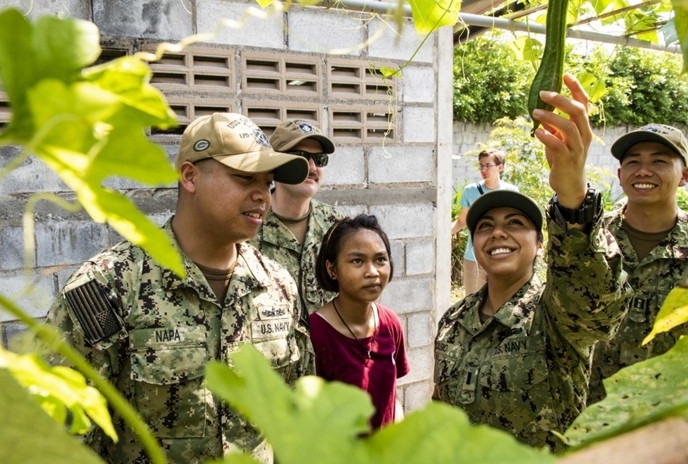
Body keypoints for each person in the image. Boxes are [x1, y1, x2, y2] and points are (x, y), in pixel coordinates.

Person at [42, 113, 314, 464]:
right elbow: (56, 439)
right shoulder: (109, 287)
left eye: (268, 183)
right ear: (190, 175)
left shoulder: (277, 286)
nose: (261, 195)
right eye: (245, 178)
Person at [433, 74, 632, 452]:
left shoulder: (556, 316)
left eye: (516, 224)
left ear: (540, 245)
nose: (498, 233)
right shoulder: (454, 321)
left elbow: (597, 302)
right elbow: (441, 408)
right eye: (486, 226)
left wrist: (572, 195)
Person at [588, 124, 688, 404]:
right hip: (591, 410)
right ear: (620, 175)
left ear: (684, 175)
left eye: (659, 161)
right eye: (633, 162)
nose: (643, 171)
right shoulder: (591, 239)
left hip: (669, 414)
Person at [311, 214, 410, 432]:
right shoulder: (315, 333)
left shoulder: (390, 323)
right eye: (357, 261)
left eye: (380, 260)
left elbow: (392, 399)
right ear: (332, 269)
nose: (372, 272)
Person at [250, 119, 345, 322]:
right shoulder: (248, 226)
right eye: (301, 157)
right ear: (276, 163)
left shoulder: (339, 227)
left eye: (319, 159)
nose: (312, 167)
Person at [451, 149, 519, 295]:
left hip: (503, 255)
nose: (483, 169)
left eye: (488, 165)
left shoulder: (511, 192)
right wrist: (440, 236)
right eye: (481, 165)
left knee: (501, 301)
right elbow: (461, 221)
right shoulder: (471, 191)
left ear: (499, 167)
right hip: (474, 256)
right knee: (472, 301)